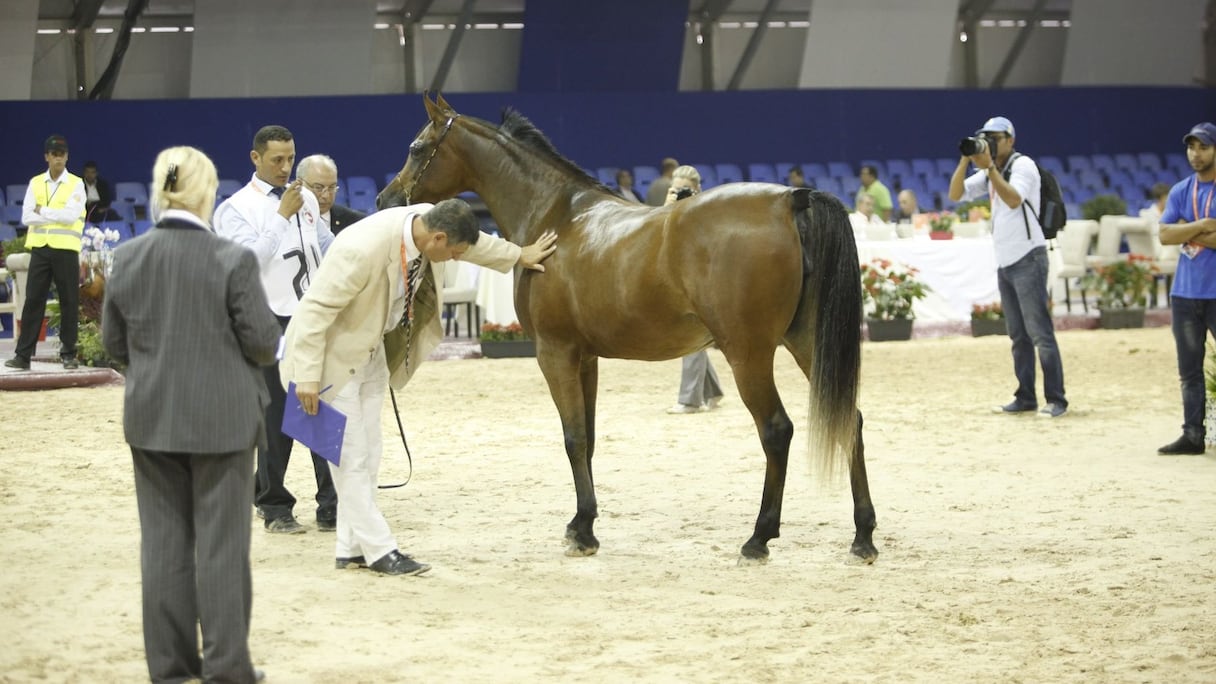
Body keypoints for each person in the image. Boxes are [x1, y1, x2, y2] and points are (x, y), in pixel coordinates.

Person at [280, 198, 557, 575]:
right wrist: (308, 377)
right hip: (326, 363)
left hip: (371, 351)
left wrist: (519, 255)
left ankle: (350, 547)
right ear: (437, 238)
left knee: (370, 454)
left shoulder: (430, 219)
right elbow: (314, 312)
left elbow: (475, 244)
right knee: (350, 460)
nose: (458, 258)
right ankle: (381, 551)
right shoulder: (360, 250)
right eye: (454, 252)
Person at [102, 145, 278, 684]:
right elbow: (264, 345)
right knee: (221, 550)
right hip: (223, 423)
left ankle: (173, 672)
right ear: (207, 192)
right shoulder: (232, 260)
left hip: (152, 419)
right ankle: (226, 669)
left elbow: (114, 345)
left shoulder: (127, 258)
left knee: (163, 548)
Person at [213, 125, 337, 534]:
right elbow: (248, 263)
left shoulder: (306, 202)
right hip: (267, 319)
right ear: (255, 159)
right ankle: (274, 504)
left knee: (322, 404)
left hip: (312, 315)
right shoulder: (235, 208)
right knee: (275, 416)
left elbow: (327, 247)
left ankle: (332, 503)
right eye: (276, 160)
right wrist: (282, 216)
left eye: (290, 157)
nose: (286, 167)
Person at [949, 115, 1068, 418]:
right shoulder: (993, 169)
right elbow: (955, 194)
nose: (990, 142)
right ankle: (1025, 396)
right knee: (1018, 335)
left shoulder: (1023, 165)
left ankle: (1056, 399)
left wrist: (989, 168)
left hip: (1029, 257)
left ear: (1011, 140)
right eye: (986, 137)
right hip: (1006, 260)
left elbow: (1014, 199)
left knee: (1040, 332)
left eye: (996, 137)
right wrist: (966, 159)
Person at [1157, 122, 1216, 455]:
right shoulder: (1181, 189)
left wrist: (1186, 230)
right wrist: (1205, 226)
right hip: (1185, 293)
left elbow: (1174, 232)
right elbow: (1164, 235)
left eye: (1203, 147)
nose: (1196, 154)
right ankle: (1193, 435)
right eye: (1192, 148)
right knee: (1189, 371)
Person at [5, 135, 86, 371]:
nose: (58, 157)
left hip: (66, 249)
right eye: (54, 153)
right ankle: (23, 355)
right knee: (33, 301)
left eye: (62, 153)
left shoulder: (76, 183)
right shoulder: (35, 183)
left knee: (69, 301)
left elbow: (71, 216)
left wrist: (43, 210)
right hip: (40, 249)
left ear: (67, 156)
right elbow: (26, 217)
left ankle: (69, 354)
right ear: (47, 157)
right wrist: (53, 213)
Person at [662, 165, 725, 415]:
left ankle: (690, 400)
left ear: (697, 189)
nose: (679, 193)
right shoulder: (669, 207)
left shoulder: (709, 209)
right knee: (695, 333)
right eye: (675, 188)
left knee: (693, 333)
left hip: (705, 281)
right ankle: (712, 390)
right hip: (679, 281)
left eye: (684, 189)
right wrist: (668, 206)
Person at [297, 154, 365, 236]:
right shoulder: (287, 220)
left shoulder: (356, 223)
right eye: (318, 187)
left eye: (332, 187)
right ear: (299, 185)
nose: (326, 196)